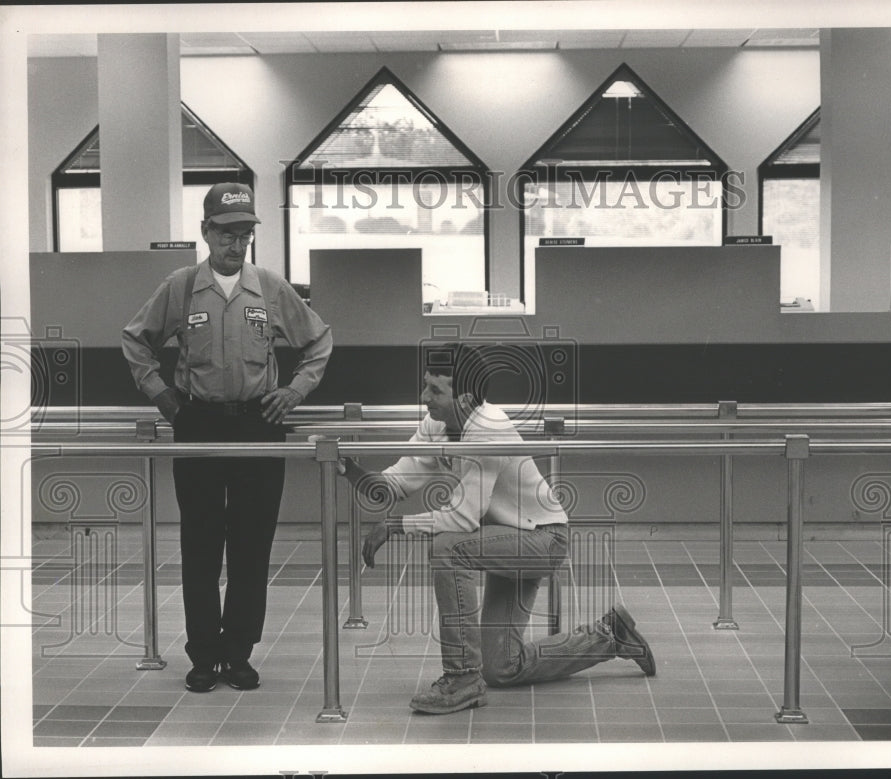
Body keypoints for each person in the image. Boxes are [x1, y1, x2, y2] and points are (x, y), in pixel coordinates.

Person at [338, 343, 655, 715]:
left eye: (436, 390)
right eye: (425, 386)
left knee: (447, 547)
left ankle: (461, 678)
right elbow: (393, 485)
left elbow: (462, 519)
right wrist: (346, 467)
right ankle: (611, 636)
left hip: (542, 540)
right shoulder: (437, 425)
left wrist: (397, 525)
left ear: (467, 397)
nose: (425, 398)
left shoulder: (488, 428)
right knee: (503, 667)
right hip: (505, 538)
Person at [122, 183, 333, 693]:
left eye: (244, 235)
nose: (235, 245)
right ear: (205, 232)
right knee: (200, 543)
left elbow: (319, 340)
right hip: (197, 423)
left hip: (257, 423)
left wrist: (294, 392)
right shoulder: (180, 286)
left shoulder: (270, 288)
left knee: (250, 545)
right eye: (226, 233)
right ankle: (203, 655)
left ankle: (238, 653)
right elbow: (136, 338)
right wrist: (163, 398)